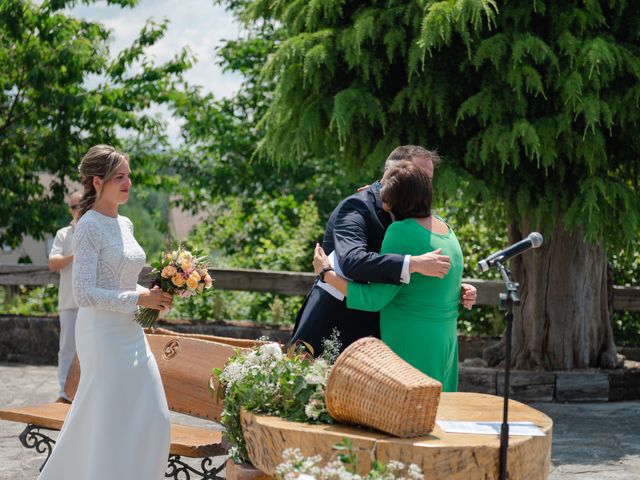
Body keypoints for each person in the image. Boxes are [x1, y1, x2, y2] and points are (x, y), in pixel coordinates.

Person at [39, 145, 174, 480]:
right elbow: (84, 293)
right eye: (119, 177)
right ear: (98, 182)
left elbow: (121, 280)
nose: (127, 182)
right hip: (101, 336)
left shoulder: (125, 223)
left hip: (131, 333)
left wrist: (153, 294)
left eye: (128, 175)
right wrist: (139, 300)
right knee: (111, 424)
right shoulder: (87, 227)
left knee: (156, 418)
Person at [291, 145, 476, 355]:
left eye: (429, 180)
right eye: (419, 175)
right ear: (392, 172)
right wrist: (412, 263)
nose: (425, 185)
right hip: (334, 325)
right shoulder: (357, 206)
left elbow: (419, 268)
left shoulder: (416, 215)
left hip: (382, 337)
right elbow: (353, 261)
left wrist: (453, 287)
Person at [313, 161, 470, 391]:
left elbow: (373, 299)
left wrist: (326, 274)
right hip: (445, 341)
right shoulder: (447, 231)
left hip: (412, 340)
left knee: (412, 417)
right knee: (440, 414)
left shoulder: (400, 232)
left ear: (396, 200)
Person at [48, 191, 83, 404]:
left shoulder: (94, 228)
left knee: (91, 349)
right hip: (70, 301)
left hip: (92, 302)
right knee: (67, 349)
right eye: (73, 206)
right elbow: (53, 264)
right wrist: (74, 255)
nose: (77, 209)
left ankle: (83, 392)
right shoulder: (63, 233)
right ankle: (64, 392)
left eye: (80, 204)